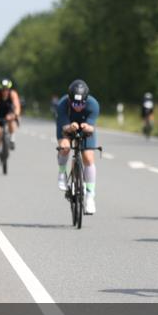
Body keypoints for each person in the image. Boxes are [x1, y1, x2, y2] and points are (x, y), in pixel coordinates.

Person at [56, 79, 100, 215]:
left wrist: (87, 127)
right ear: (69, 100)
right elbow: (64, 127)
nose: (78, 107)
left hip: (85, 127)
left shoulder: (93, 104)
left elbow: (91, 127)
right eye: (75, 103)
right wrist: (70, 127)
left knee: (88, 157)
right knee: (65, 147)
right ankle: (62, 172)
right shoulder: (62, 104)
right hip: (67, 126)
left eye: (81, 103)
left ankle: (90, 196)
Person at [0, 78, 21, 166]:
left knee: (11, 120)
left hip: (9, 114)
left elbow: (17, 106)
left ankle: (12, 139)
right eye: (3, 89)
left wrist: (15, 114)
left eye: (7, 89)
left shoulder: (13, 94)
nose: (5, 91)